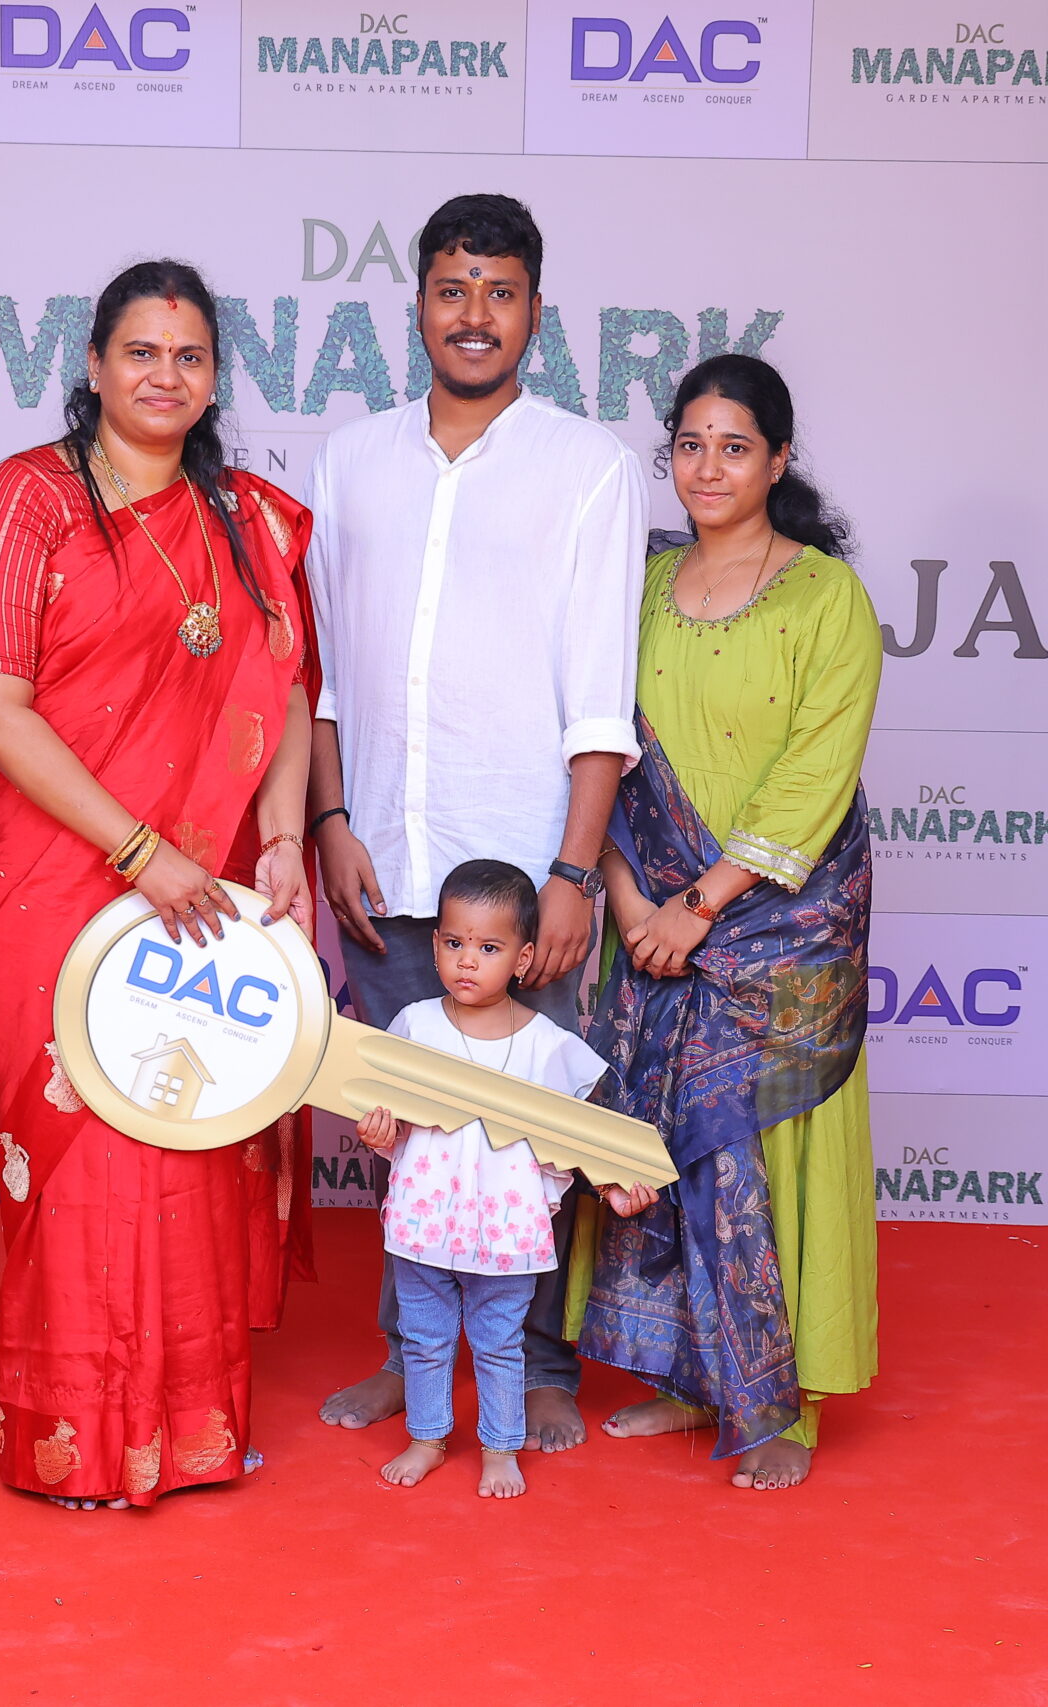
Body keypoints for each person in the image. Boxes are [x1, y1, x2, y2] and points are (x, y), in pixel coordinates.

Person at [0, 259, 316, 1510]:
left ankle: (189, 1431)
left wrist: (281, 840)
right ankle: (77, 1440)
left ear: (214, 379)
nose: (166, 375)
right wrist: (137, 854)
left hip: (204, 887)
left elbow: (283, 689)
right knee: (83, 1140)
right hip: (56, 876)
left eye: (190, 356)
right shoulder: (28, 499)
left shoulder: (248, 521)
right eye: (142, 352)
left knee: (183, 1123)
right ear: (96, 365)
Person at [305, 193, 646, 1451]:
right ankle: (410, 1361)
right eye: (453, 289)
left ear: (535, 314)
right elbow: (326, 675)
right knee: (408, 1138)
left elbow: (600, 700)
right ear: (418, 306)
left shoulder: (589, 468)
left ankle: (540, 1365)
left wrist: (572, 873)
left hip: (522, 875)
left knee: (530, 1136)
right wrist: (330, 819)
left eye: (499, 293)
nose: (474, 314)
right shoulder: (349, 461)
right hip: (382, 859)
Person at [572, 353, 881, 1492]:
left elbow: (814, 774)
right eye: (690, 445)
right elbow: (594, 738)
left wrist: (703, 906)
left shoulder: (825, 596)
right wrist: (628, 901)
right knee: (665, 1139)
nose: (707, 468)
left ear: (779, 460)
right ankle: (690, 1377)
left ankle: (781, 1403)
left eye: (735, 447)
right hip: (648, 917)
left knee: (762, 1140)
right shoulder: (638, 582)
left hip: (776, 928)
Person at [353, 861, 652, 1498]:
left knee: (498, 1344)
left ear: (523, 959)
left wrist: (614, 1184)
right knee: (425, 1341)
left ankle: (500, 1448)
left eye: (489, 948)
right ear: (434, 945)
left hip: (507, 1230)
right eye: (454, 943)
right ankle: (427, 1439)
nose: (468, 960)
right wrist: (380, 1134)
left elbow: (581, 1136)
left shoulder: (548, 1044)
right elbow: (393, 1122)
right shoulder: (413, 1025)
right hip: (424, 1223)